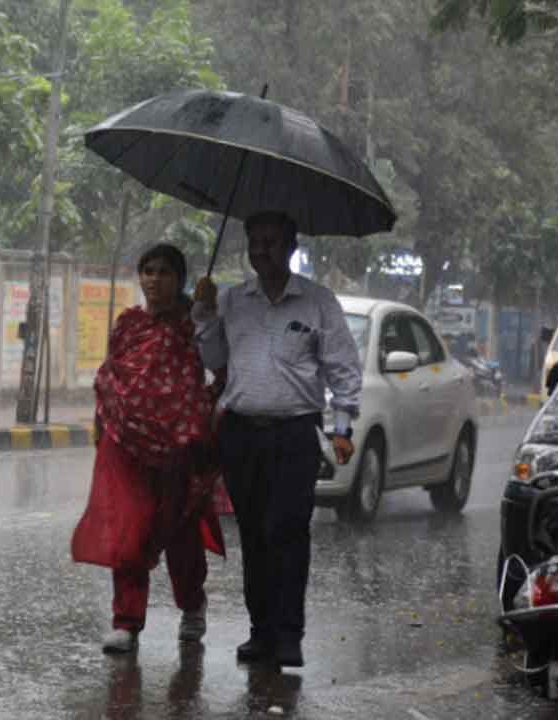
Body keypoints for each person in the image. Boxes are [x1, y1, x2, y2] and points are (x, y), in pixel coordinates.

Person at [192, 211, 362, 668]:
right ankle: (261, 632)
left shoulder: (317, 302)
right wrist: (204, 314)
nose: (262, 250)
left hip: (293, 435)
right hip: (241, 434)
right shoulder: (231, 300)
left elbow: (343, 368)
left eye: (271, 242)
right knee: (254, 535)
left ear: (291, 247)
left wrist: (343, 427)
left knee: (287, 533)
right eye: (255, 242)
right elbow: (213, 358)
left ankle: (289, 634)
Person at [72, 243, 226, 655]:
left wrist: (198, 414)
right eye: (148, 271)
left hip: (179, 447)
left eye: (164, 272)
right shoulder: (128, 325)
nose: (154, 280)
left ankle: (192, 607)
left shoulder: (197, 325)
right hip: (125, 444)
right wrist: (101, 423)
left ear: (181, 280)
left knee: (180, 534)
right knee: (128, 531)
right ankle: (126, 621)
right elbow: (110, 376)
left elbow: (223, 372)